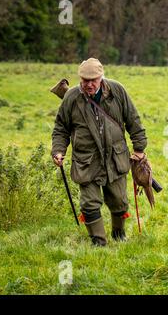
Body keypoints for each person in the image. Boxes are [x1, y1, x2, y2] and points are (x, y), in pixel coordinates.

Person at [52, 58, 147, 246]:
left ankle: (119, 234)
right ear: (80, 78)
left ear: (101, 77)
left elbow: (133, 119)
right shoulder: (71, 97)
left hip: (115, 157)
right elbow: (61, 128)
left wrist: (139, 148)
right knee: (89, 204)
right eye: (85, 80)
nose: (89, 84)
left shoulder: (117, 91)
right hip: (86, 161)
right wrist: (58, 150)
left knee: (120, 203)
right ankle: (99, 242)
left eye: (93, 80)